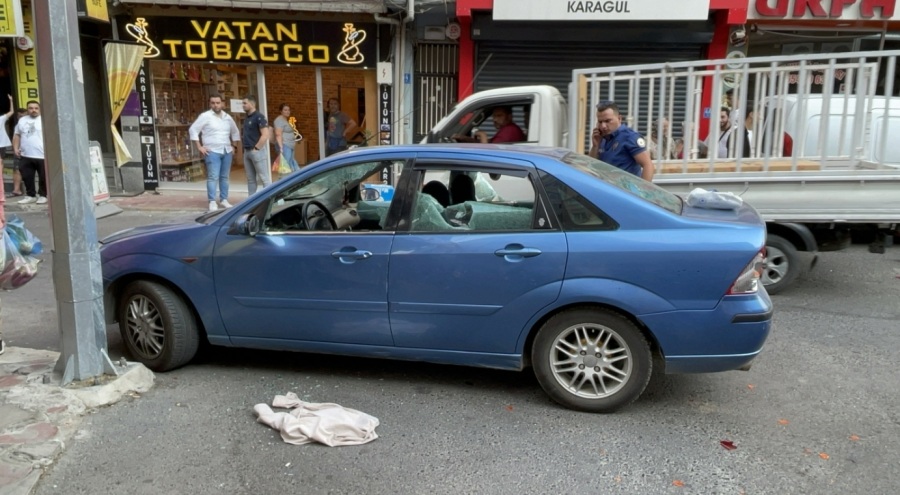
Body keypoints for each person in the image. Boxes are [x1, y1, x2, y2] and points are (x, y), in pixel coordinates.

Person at [189, 94, 240, 212]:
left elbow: (235, 132)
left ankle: (224, 199)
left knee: (225, 177)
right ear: (210, 104)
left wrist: (234, 146)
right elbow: (193, 130)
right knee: (213, 177)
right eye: (213, 103)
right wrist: (199, 147)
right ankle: (212, 201)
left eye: (218, 102)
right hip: (212, 151)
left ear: (222, 103)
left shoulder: (227, 117)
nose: (216, 105)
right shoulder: (205, 116)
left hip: (226, 150)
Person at [588, 101, 655, 181]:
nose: (603, 126)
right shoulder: (602, 137)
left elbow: (648, 165)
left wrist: (643, 192)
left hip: (625, 190)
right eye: (600, 122)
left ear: (619, 118)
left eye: (607, 121)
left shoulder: (629, 137)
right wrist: (595, 146)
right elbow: (591, 165)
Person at [13, 100, 46, 205]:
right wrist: (15, 148)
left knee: (43, 177)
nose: (33, 110)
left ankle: (43, 195)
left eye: (36, 108)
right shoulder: (22, 120)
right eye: (31, 108)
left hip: (42, 154)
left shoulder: (44, 120)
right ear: (27, 110)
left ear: (39, 109)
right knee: (27, 176)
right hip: (26, 154)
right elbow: (17, 135)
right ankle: (30, 195)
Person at [241, 94, 271, 194]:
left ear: (252, 104)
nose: (243, 105)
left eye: (245, 103)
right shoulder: (247, 118)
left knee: (264, 178)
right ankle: (251, 202)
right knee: (250, 179)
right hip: (247, 151)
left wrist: (256, 149)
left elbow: (265, 135)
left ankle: (269, 199)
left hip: (257, 151)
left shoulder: (259, 117)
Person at [453, 106, 526, 144]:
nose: (495, 119)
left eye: (499, 116)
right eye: (494, 116)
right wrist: (466, 139)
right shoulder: (507, 129)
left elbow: (489, 152)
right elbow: (489, 143)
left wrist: (482, 135)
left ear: (509, 117)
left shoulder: (510, 130)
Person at [273, 103, 301, 173]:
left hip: (289, 145)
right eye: (285, 110)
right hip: (285, 145)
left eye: (288, 110)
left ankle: (293, 179)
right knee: (286, 165)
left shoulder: (285, 120)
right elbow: (278, 134)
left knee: (290, 162)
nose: (287, 111)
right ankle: (285, 180)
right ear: (281, 111)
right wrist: (281, 147)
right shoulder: (279, 120)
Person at [9, 107, 26, 197]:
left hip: (33, 151)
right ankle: (17, 190)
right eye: (19, 116)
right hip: (19, 150)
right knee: (16, 169)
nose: (21, 117)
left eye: (23, 115)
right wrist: (15, 148)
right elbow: (15, 138)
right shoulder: (18, 125)